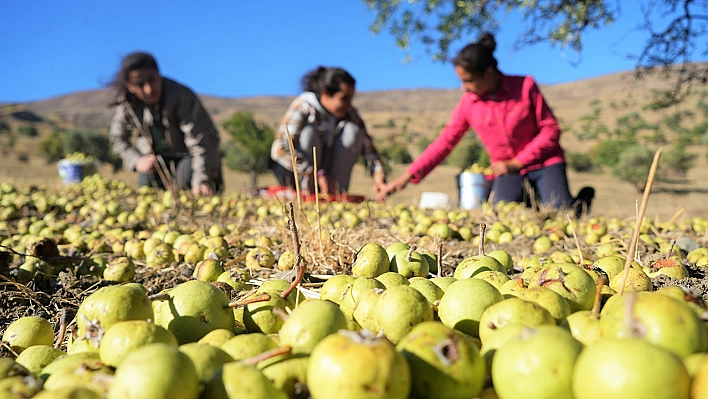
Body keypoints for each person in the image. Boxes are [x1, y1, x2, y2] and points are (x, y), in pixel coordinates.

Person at [379, 33, 593, 216]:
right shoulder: (468, 104)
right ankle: (531, 198)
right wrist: (407, 177)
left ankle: (577, 202)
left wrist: (518, 162)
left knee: (561, 215)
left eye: (468, 80)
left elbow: (550, 130)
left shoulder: (525, 86)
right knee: (501, 214)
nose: (463, 88)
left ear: (489, 73)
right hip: (507, 172)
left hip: (544, 163)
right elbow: (444, 143)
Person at [109, 52, 223, 196]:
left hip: (190, 156)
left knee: (187, 180)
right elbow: (117, 137)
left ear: (159, 74)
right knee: (147, 184)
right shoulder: (127, 104)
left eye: (152, 80)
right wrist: (137, 160)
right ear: (130, 86)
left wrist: (201, 180)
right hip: (159, 162)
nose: (148, 89)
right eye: (140, 84)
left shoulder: (181, 96)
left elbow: (201, 142)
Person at [270, 66, 386, 196]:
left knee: (353, 131)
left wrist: (379, 178)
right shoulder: (304, 105)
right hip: (302, 177)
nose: (349, 104)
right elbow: (279, 149)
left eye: (351, 98)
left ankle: (335, 194)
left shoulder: (349, 113)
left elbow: (370, 152)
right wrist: (315, 174)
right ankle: (307, 194)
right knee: (308, 134)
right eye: (344, 98)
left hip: (330, 179)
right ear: (326, 94)